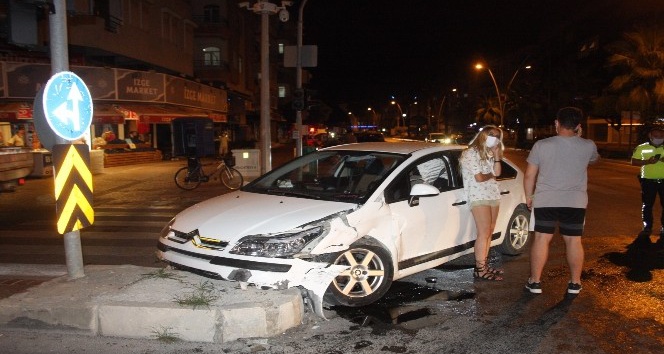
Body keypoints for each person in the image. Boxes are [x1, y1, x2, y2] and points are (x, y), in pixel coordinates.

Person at [523, 107, 599, 295]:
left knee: (541, 238)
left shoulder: (542, 145)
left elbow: (529, 175)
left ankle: (535, 282)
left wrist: (529, 196)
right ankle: (574, 283)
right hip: (575, 201)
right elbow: (595, 160)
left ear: (557, 123)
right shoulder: (588, 145)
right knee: (573, 241)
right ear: (578, 126)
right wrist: (580, 138)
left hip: (546, 200)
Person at [459, 125, 505, 281]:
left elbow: (497, 173)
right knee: (483, 232)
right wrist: (490, 176)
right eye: (491, 134)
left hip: (492, 194)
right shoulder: (469, 153)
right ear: (483, 134)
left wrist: (497, 155)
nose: (495, 137)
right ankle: (479, 268)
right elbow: (479, 178)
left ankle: (484, 265)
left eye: (498, 135)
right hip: (478, 196)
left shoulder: (490, 154)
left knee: (490, 232)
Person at [631, 121, 664, 241]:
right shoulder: (642, 147)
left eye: (661, 136)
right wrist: (647, 162)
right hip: (648, 181)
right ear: (650, 136)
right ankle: (647, 227)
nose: (659, 138)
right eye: (656, 136)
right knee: (647, 205)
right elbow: (634, 161)